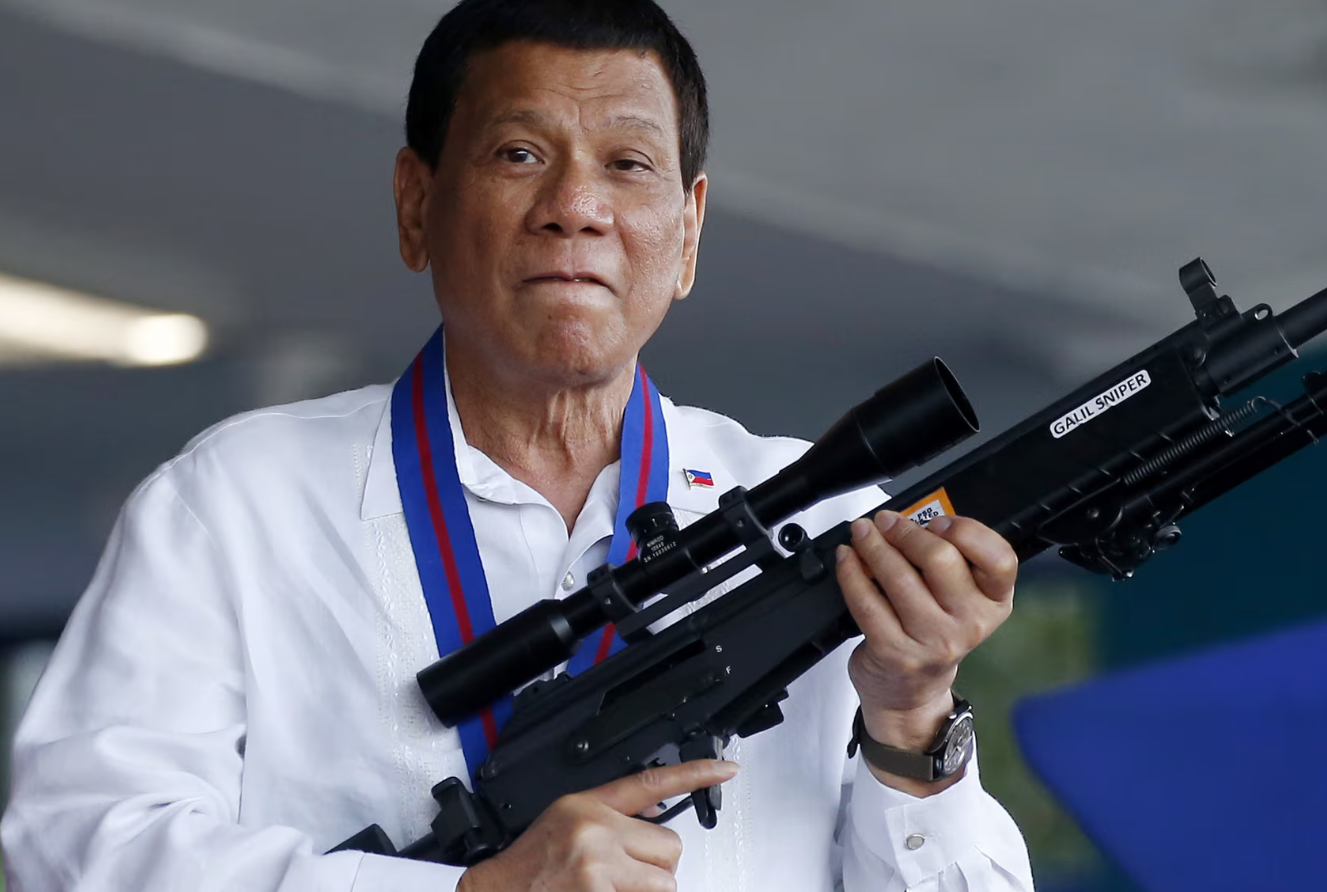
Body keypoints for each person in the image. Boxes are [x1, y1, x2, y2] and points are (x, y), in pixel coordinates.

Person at [1, 1, 1034, 889]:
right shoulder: (237, 502)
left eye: (629, 164)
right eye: (519, 154)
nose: (575, 209)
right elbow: (71, 849)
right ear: (416, 204)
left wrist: (911, 721)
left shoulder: (810, 509)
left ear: (689, 234)